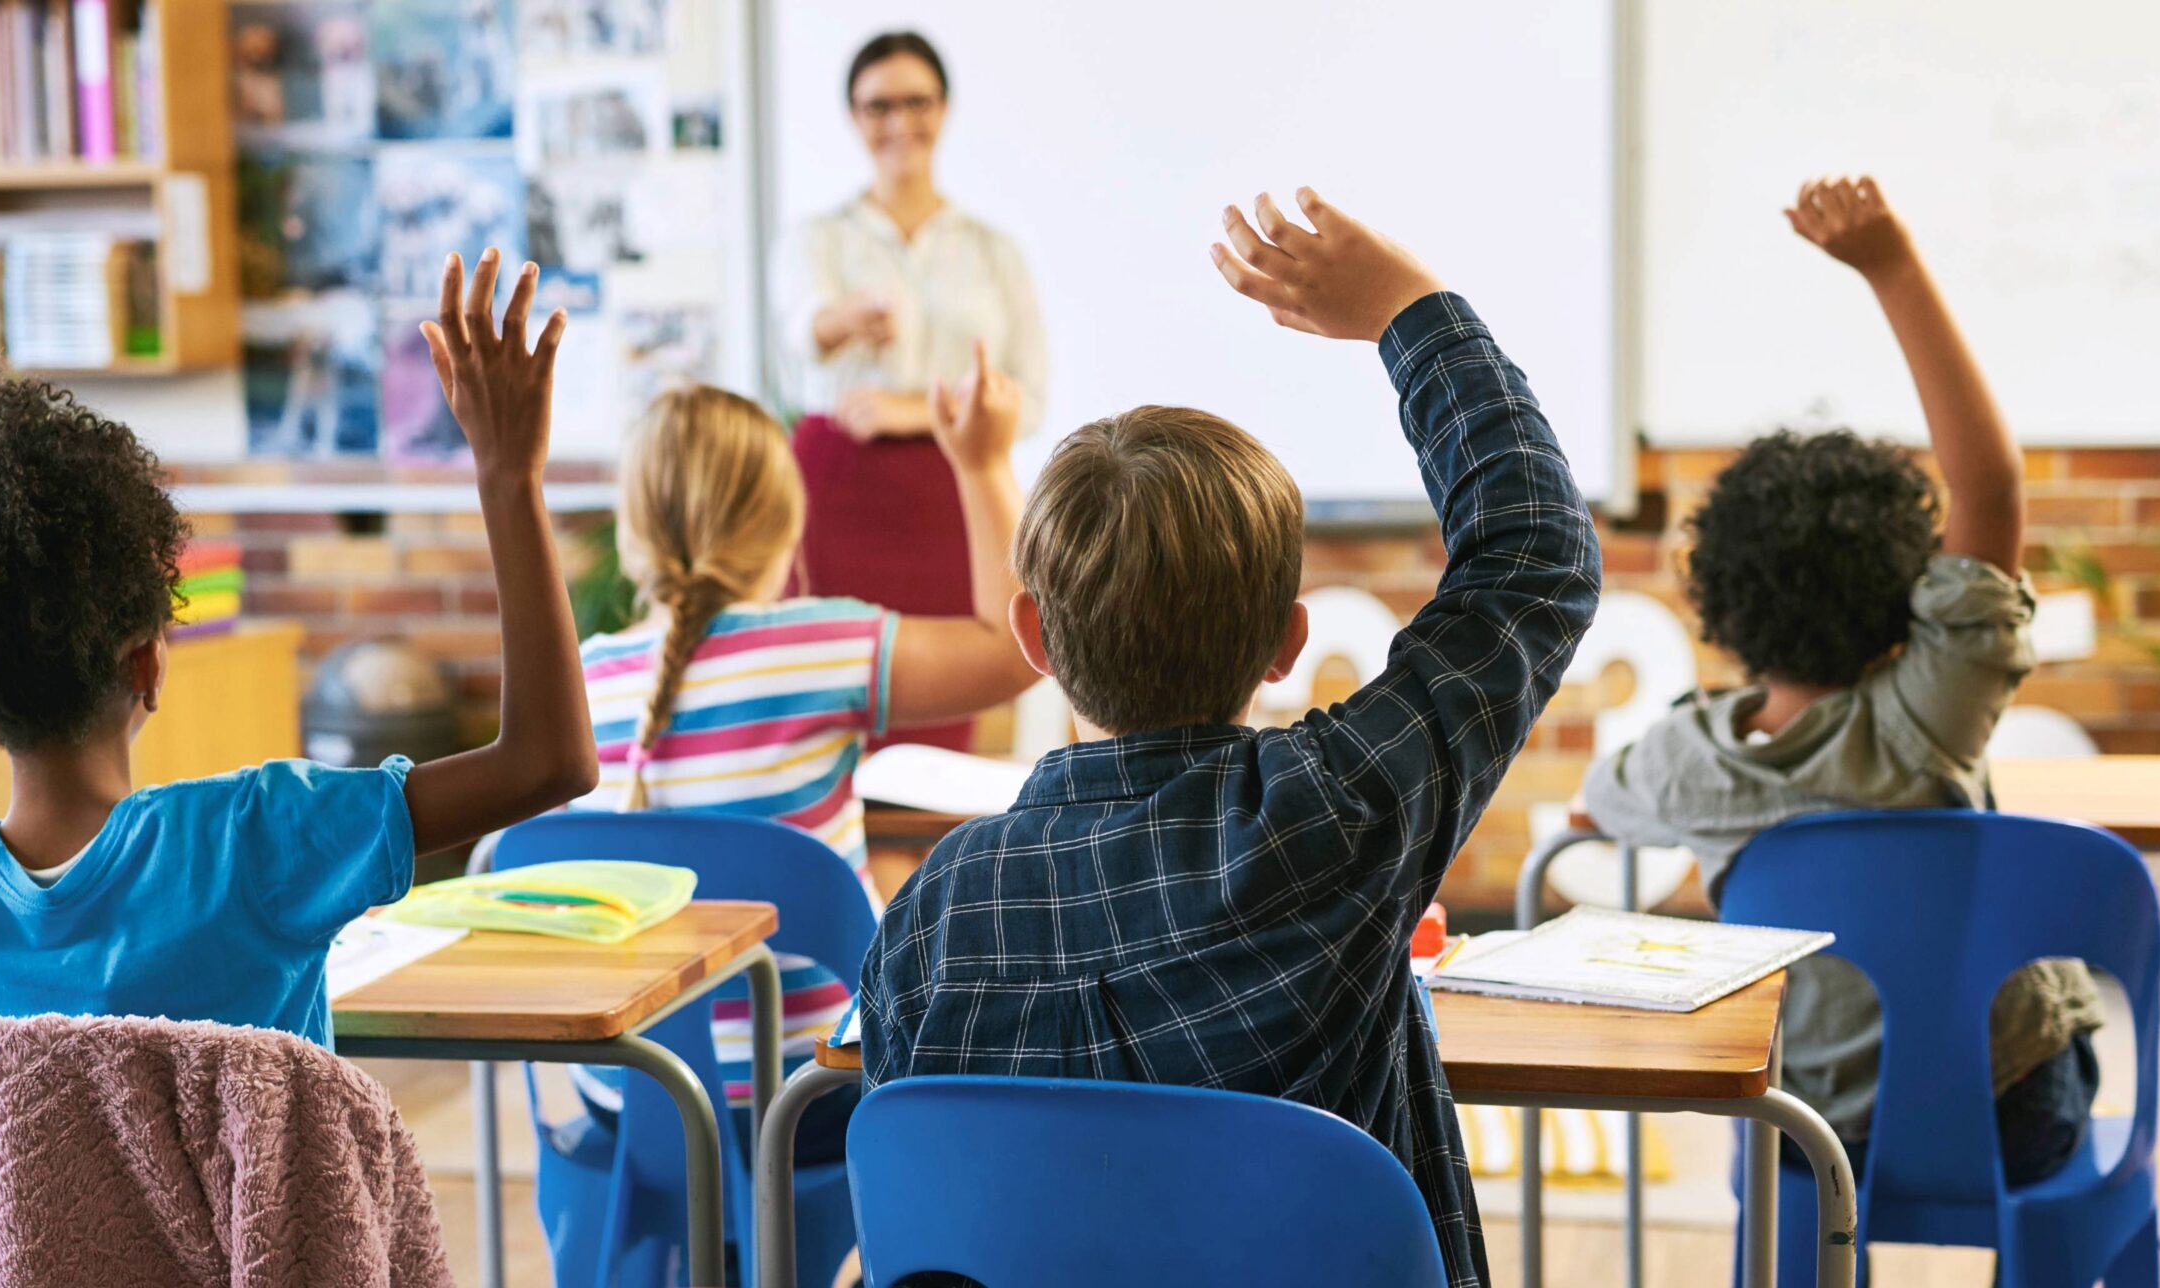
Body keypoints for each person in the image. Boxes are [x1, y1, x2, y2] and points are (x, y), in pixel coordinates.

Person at [859, 187, 1604, 1286]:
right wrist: (1408, 306)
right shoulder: (1332, 821)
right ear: (1285, 643)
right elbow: (1533, 555)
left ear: (1034, 635)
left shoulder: (931, 916)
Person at [0, 251, 597, 1050]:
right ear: (146, 666)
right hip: (258, 1185)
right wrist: (508, 476)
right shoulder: (258, 843)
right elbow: (551, 762)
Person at [1583, 176, 2102, 1186]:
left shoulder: (1684, 761)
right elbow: (1990, 488)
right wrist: (1890, 264)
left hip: (1806, 1144)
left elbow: (1593, 810)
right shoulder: (1929, 716)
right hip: (2005, 1121)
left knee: (1761, 1125)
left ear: (1720, 602)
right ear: (1914, 588)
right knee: (2049, 1037)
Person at [565, 344, 1040, 1157]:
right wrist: (983, 461)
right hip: (806, 1101)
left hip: (627, 1103)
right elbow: (1021, 645)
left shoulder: (582, 682)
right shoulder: (820, 646)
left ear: (634, 531)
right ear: (786, 526)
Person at [772, 30, 1047, 751]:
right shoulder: (817, 238)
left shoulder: (992, 250)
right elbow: (804, 327)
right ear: (853, 118)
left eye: (917, 102)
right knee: (826, 697)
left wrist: (910, 409)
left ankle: (933, 862)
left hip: (954, 493)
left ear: (944, 109)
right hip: (837, 492)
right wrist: (842, 319)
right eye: (878, 106)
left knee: (952, 698)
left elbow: (1030, 393)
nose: (900, 122)